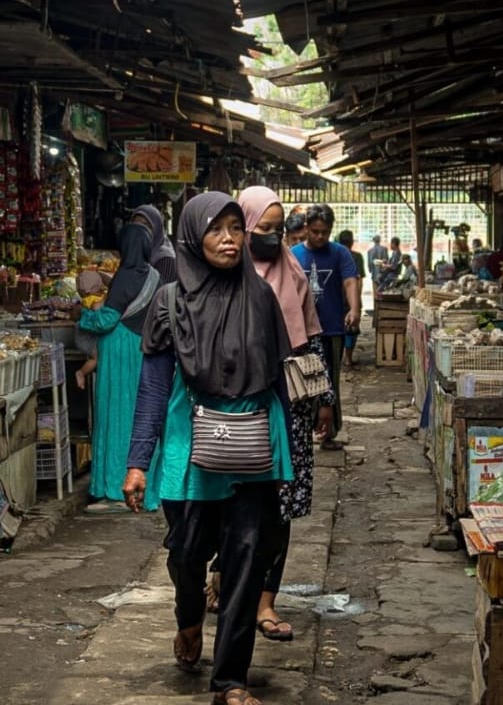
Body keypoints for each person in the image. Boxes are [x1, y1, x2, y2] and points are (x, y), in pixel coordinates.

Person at [123, 191, 292, 705]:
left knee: (246, 560)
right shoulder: (169, 301)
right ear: (193, 236)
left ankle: (230, 681)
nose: (228, 239)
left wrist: (288, 455)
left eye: (236, 229)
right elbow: (153, 386)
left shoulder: (260, 296)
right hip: (188, 446)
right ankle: (189, 617)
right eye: (215, 229)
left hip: (253, 447)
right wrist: (137, 462)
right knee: (186, 554)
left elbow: (279, 380)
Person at [226, 186, 335, 642]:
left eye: (276, 229)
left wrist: (324, 398)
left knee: (280, 508)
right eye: (261, 230)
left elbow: (311, 340)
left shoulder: (293, 273)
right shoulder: (227, 275)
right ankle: (226, 584)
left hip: (289, 408)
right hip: (237, 409)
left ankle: (266, 602)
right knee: (231, 504)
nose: (271, 238)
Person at [76, 221, 163, 510]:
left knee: (114, 413)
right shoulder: (154, 276)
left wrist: (85, 313)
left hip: (118, 352)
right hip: (143, 349)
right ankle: (145, 482)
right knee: (141, 415)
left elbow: (107, 320)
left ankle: (114, 485)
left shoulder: (124, 276)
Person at [291, 204, 361, 450]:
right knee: (304, 381)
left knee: (330, 381)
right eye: (316, 231)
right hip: (301, 331)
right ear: (307, 228)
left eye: (325, 232)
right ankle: (306, 430)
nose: (320, 237)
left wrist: (354, 309)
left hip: (332, 328)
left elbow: (350, 282)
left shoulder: (340, 253)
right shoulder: (294, 254)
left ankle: (329, 432)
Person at [336, 230, 366, 367]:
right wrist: (357, 299)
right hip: (350, 296)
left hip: (337, 296)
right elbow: (358, 280)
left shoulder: (335, 254)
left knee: (339, 327)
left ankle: (339, 356)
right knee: (351, 327)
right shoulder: (357, 256)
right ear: (352, 242)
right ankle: (348, 357)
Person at [73, 270, 106, 389]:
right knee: (97, 357)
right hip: (86, 338)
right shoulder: (92, 300)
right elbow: (96, 307)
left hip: (82, 336)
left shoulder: (82, 301)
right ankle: (81, 373)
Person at [135, 203, 178, 285]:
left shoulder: (165, 259)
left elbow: (163, 294)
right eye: (136, 226)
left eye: (146, 225)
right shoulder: (140, 252)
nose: (140, 231)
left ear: (156, 227)